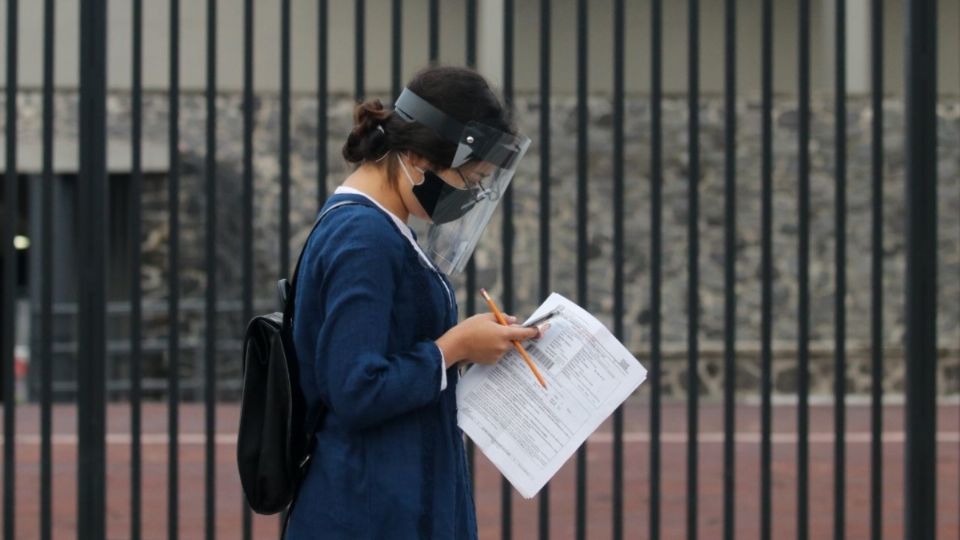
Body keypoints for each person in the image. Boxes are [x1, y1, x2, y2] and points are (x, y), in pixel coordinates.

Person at [285, 65, 542, 539]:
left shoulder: (380, 224)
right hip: (369, 509)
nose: (472, 194)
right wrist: (455, 347)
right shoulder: (364, 237)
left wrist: (473, 345)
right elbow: (356, 388)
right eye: (470, 177)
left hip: (389, 502)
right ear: (418, 158)